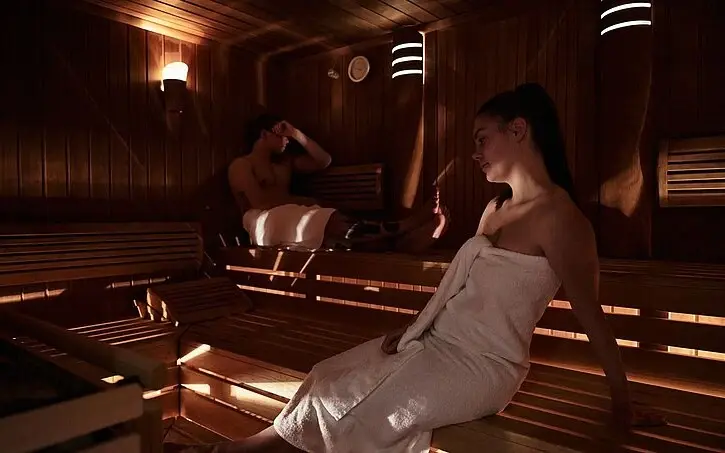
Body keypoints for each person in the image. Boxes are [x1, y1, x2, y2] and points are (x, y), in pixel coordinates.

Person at [165, 83, 664, 453]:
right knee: (326, 377)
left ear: (519, 130)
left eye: (482, 139)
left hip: (485, 365)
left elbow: (592, 316)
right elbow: (462, 288)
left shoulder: (562, 221)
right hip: (436, 342)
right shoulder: (495, 209)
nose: (475, 153)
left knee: (355, 408)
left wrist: (622, 404)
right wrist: (414, 328)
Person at [227, 114, 448, 252]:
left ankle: (407, 242)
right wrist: (299, 200)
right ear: (264, 134)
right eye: (281, 133)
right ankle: (406, 224)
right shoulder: (241, 165)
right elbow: (258, 203)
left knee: (363, 241)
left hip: (291, 218)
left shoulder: (284, 164)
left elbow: (324, 161)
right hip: (263, 224)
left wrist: (296, 133)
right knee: (321, 219)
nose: (286, 139)